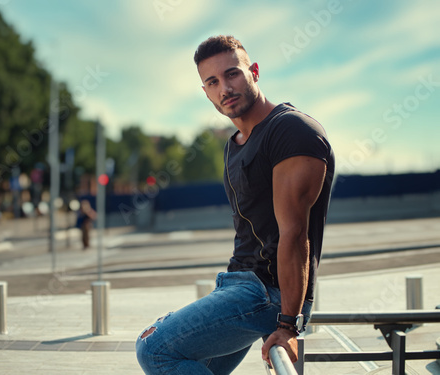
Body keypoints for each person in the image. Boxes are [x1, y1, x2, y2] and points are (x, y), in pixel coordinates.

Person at [136, 35, 335, 374]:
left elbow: (294, 233)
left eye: (232, 74)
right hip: (238, 282)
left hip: (266, 292)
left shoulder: (290, 131)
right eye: (212, 82)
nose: (224, 88)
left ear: (253, 71)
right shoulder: (235, 144)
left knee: (154, 349)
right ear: (205, 91)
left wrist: (288, 324)